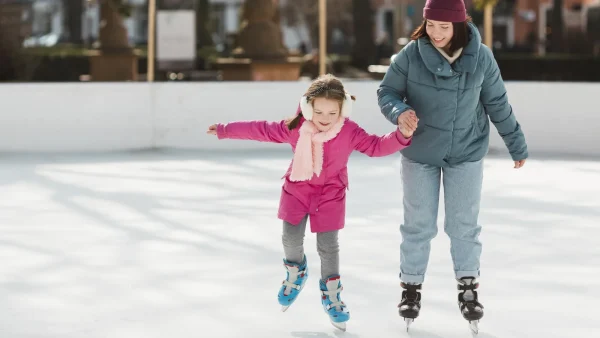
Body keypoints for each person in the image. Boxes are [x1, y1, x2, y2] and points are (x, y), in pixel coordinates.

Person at [207, 74, 417, 330]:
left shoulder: (349, 131)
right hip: (297, 190)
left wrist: (401, 135)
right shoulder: (296, 127)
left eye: (332, 112)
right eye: (319, 111)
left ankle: (331, 293)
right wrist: (225, 130)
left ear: (342, 109)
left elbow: (375, 146)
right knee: (290, 239)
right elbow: (261, 130)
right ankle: (296, 272)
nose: (325, 118)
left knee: (329, 247)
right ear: (308, 107)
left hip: (331, 195)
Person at [376, 0, 528, 332]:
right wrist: (399, 111)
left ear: (459, 25)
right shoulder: (411, 55)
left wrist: (515, 142)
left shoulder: (481, 56)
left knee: (463, 225)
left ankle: (468, 287)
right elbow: (387, 91)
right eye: (431, 25)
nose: (436, 33)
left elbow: (497, 102)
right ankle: (411, 288)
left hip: (466, 151)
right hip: (420, 152)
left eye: (444, 27)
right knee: (418, 225)